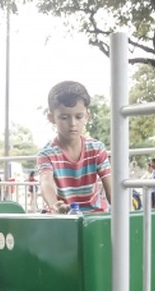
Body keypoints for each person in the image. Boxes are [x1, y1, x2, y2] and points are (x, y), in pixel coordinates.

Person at [37, 80, 112, 214]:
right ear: (51, 118)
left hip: (93, 218)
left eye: (79, 117)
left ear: (87, 116)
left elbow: (112, 189)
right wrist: (54, 206)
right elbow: (46, 182)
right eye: (64, 117)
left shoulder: (96, 149)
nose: (73, 123)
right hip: (63, 218)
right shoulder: (47, 154)